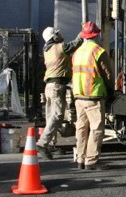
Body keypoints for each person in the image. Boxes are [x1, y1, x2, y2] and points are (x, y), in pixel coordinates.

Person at [72, 21, 113, 170]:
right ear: (96, 35)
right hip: (93, 95)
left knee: (81, 128)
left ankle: (80, 159)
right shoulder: (98, 51)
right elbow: (108, 74)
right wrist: (112, 91)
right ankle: (92, 161)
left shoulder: (77, 52)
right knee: (96, 128)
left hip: (78, 95)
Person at [36, 27, 82, 160]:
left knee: (50, 116)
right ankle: (43, 143)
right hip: (57, 86)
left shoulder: (48, 49)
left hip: (50, 86)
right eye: (58, 34)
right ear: (54, 37)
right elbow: (76, 43)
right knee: (57, 115)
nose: (61, 35)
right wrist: (83, 32)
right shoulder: (59, 47)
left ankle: (50, 145)